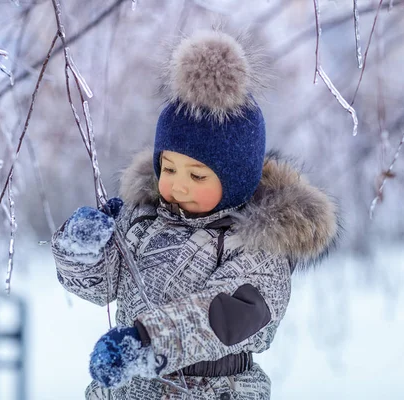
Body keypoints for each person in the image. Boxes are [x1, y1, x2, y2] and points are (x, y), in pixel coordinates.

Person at [51, 30, 339, 400]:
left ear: (236, 178)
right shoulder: (146, 221)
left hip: (214, 390)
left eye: (197, 175)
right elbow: (101, 286)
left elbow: (227, 318)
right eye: (168, 169)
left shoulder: (259, 245)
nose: (179, 185)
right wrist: (83, 249)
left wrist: (146, 342)